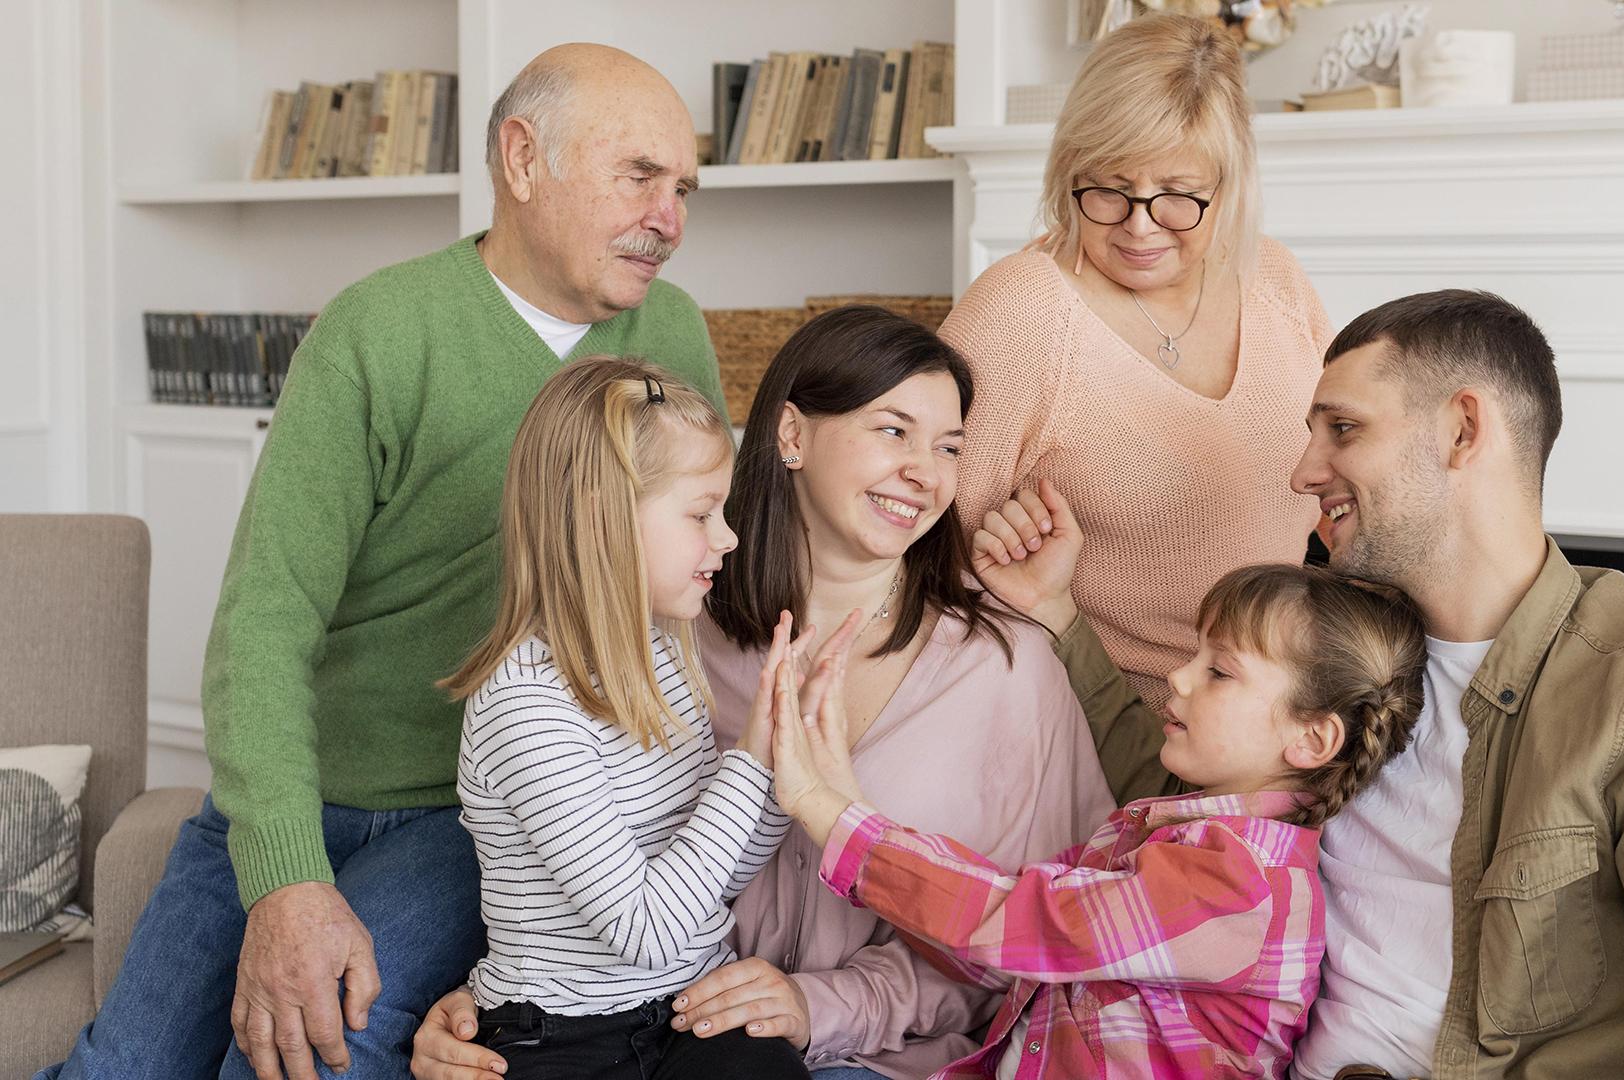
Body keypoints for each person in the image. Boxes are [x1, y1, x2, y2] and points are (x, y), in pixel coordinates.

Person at [980, 290, 1624, 1078]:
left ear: (1464, 430)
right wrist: (1060, 615)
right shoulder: (1346, 645)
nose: (1303, 471)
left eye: (1343, 429)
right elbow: (1200, 794)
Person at [37, 44, 723, 1080]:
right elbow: (266, 618)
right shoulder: (379, 330)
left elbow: (696, 584)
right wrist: (285, 879)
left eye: (684, 189)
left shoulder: (668, 335)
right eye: (640, 176)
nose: (670, 217)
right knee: (116, 1069)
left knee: (297, 1056)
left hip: (478, 809)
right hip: (296, 788)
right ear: (522, 158)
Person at [409, 307, 1115, 1080]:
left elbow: (1049, 934)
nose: (927, 470)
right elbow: (578, 889)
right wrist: (484, 1003)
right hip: (678, 1022)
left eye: (949, 446)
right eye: (893, 431)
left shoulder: (1005, 669)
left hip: (882, 1057)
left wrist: (827, 1006)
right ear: (791, 436)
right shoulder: (674, 631)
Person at [768, 561, 1427, 1079]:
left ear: (1312, 740)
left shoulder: (1238, 886)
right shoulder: (1162, 837)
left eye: (1219, 670)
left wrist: (837, 819)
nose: (1182, 677)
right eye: (1196, 656)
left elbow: (1024, 921)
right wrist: (850, 812)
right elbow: (1014, 956)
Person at [945, 14, 1328, 716]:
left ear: (1230, 179)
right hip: (1106, 723)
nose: (1140, 224)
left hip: (1277, 722)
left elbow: (1342, 485)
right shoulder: (1022, 310)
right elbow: (928, 545)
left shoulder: (1273, 277)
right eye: (1109, 188)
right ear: (1069, 170)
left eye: (1179, 194)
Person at [438, 358, 807, 1079]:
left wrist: (787, 764)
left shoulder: (664, 656)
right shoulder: (525, 705)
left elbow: (717, 874)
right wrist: (751, 758)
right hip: (558, 1040)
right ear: (603, 519)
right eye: (701, 514)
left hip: (687, 1009)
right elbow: (646, 931)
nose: (726, 538)